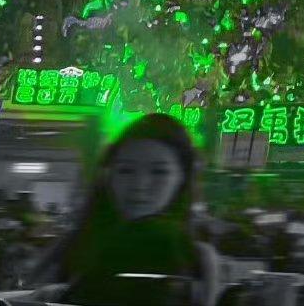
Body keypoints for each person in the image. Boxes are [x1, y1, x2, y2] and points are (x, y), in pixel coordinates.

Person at [38, 113, 222, 306]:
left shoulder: (197, 258)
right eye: (126, 170)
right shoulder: (73, 244)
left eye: (159, 172)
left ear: (182, 177)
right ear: (109, 174)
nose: (139, 185)